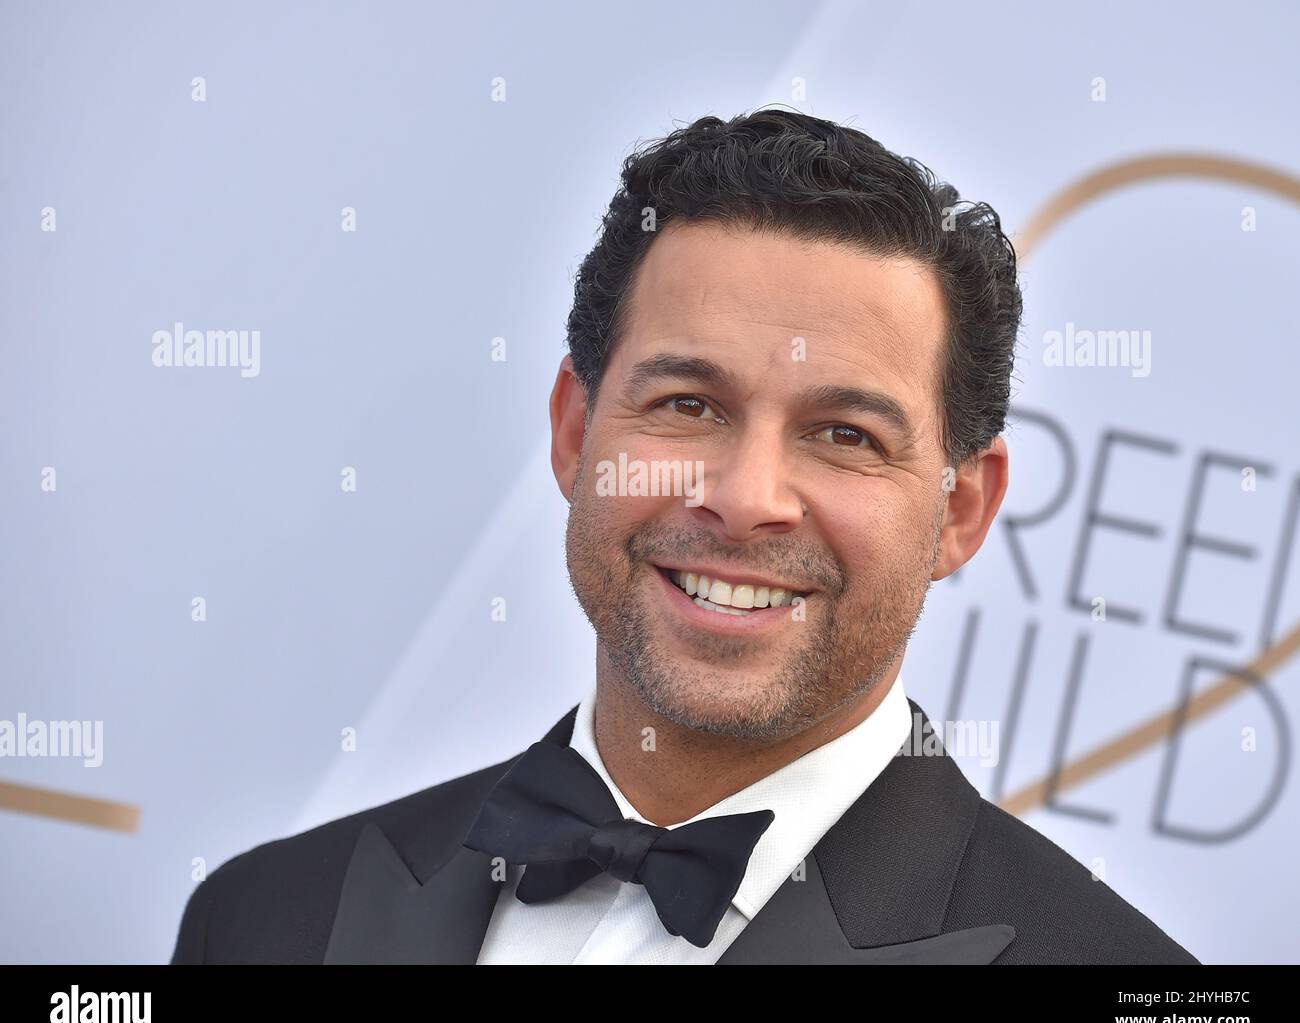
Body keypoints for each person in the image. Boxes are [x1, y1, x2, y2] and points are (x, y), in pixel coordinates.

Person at [171, 109, 1199, 965]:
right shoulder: (264, 917)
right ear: (576, 432)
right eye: (687, 405)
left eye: (844, 434)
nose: (745, 497)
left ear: (959, 511)